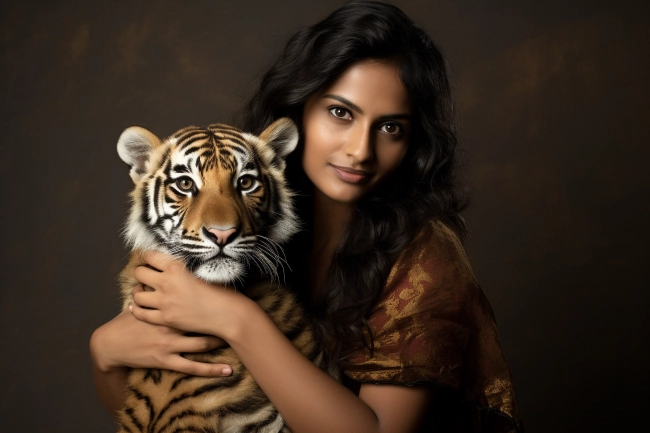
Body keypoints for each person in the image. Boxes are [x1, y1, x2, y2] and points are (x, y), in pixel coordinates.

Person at [90, 1, 523, 432]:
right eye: (341, 112)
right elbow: (159, 416)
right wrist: (105, 352)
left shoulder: (428, 256)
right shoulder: (247, 217)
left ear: (413, 143)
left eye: (391, 127)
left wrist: (236, 319)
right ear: (299, 109)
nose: (360, 150)